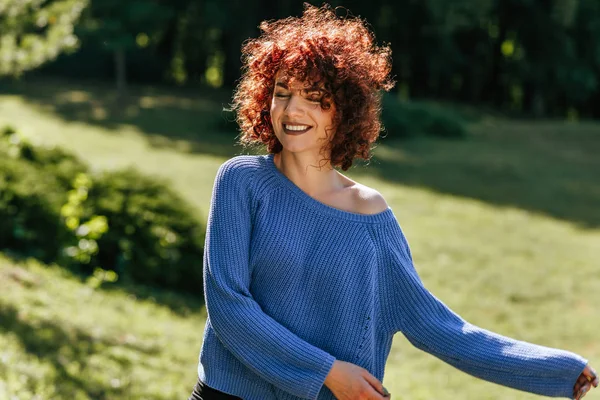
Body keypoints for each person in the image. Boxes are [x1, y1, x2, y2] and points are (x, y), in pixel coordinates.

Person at [190, 3, 598, 400]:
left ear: (343, 112)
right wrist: (329, 373)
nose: (292, 110)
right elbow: (229, 308)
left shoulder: (370, 216)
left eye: (315, 97)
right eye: (282, 93)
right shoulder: (242, 181)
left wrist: (557, 370)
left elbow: (440, 329)